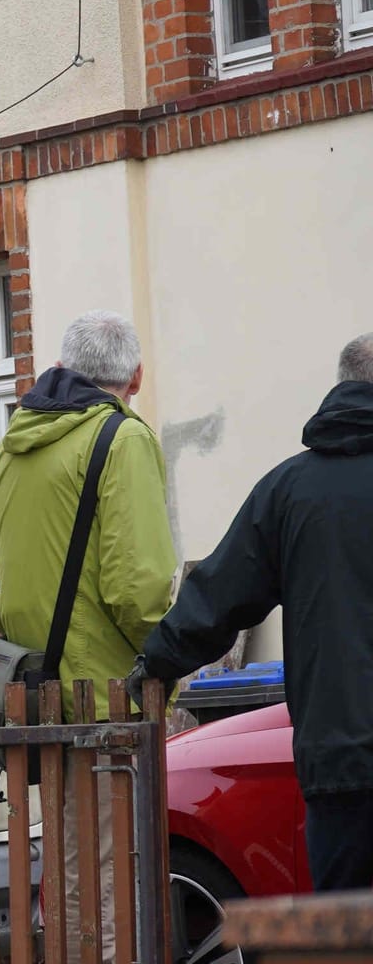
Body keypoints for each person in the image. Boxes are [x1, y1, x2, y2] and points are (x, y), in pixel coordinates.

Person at [0, 310, 177, 964]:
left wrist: (40, 619)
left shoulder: (9, 449)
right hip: (109, 697)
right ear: (134, 380)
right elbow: (139, 587)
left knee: (69, 880)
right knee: (114, 889)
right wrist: (168, 657)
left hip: (36, 700)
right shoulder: (123, 440)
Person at [134, 334, 373, 891]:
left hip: (337, 760)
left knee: (347, 946)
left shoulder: (289, 489)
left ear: (340, 387)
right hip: (337, 757)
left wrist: (158, 663)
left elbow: (221, 595)